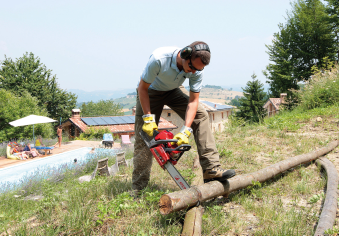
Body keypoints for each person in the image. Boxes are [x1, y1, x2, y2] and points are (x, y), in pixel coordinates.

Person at [132, 41, 236, 193]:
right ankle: (138, 188)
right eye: (192, 68)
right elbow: (142, 88)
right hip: (150, 91)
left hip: (173, 90)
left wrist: (186, 129)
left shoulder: (197, 69)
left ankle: (211, 168)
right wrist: (148, 118)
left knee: (201, 116)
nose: (193, 72)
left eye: (198, 69)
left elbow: (193, 101)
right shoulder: (159, 59)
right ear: (185, 54)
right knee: (144, 137)